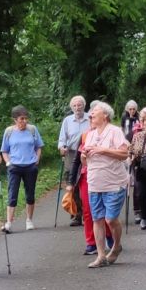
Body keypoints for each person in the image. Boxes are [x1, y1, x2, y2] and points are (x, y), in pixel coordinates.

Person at [81, 101, 131, 268]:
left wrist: (103, 150)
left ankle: (116, 247)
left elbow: (124, 154)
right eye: (92, 112)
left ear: (105, 115)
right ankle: (101, 255)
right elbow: (85, 161)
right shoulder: (90, 134)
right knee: (97, 219)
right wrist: (84, 155)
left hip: (114, 183)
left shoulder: (115, 131)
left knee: (110, 219)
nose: (91, 114)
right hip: (94, 183)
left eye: (95, 111)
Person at [0, 106, 43, 233]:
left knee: (30, 194)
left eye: (26, 118)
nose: (24, 121)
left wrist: (37, 160)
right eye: (21, 119)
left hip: (30, 166)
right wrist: (8, 163)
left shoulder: (32, 130)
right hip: (15, 167)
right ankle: (9, 223)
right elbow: (4, 150)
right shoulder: (9, 131)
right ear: (15, 119)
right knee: (12, 194)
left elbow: (38, 146)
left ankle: (29, 220)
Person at [57, 96, 90, 227]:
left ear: (84, 105)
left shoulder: (90, 119)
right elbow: (62, 139)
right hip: (71, 154)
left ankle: (89, 211)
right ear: (72, 107)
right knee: (72, 183)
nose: (77, 108)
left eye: (80, 105)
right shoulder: (67, 120)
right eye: (75, 106)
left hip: (87, 153)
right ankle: (77, 214)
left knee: (86, 181)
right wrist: (62, 148)